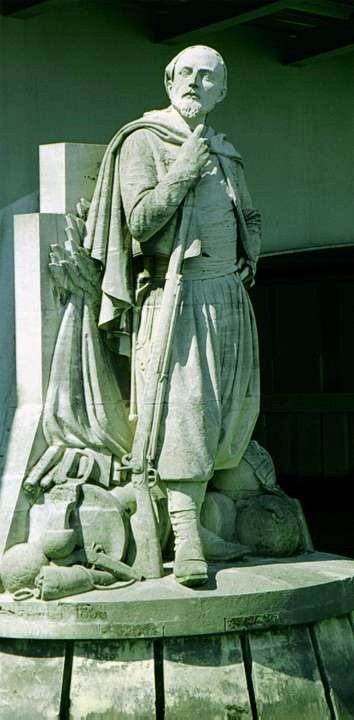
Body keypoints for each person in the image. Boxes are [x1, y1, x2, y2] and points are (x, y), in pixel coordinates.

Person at [84, 45, 261, 586]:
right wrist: (183, 171)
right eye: (184, 73)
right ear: (168, 80)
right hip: (176, 298)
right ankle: (185, 540)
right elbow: (138, 220)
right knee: (183, 414)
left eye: (206, 77)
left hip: (228, 296)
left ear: (221, 91)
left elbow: (248, 212)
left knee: (228, 415)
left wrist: (248, 248)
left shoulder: (225, 152)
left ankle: (198, 524)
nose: (193, 82)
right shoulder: (144, 140)